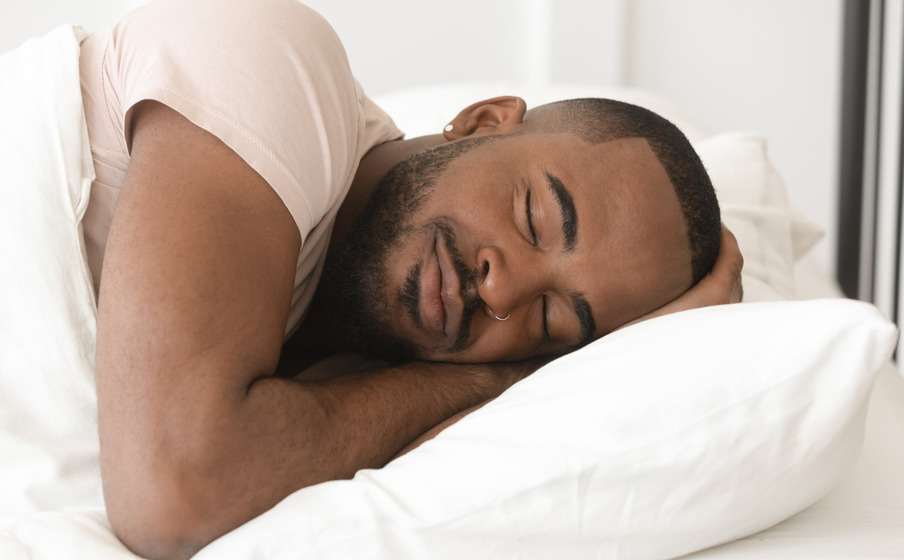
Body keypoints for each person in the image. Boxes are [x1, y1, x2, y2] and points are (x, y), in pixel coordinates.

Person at [78, 0, 742, 558]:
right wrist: (502, 377)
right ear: (480, 123)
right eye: (535, 218)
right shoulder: (271, 62)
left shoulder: (373, 376)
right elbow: (175, 496)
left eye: (552, 320)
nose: (503, 292)